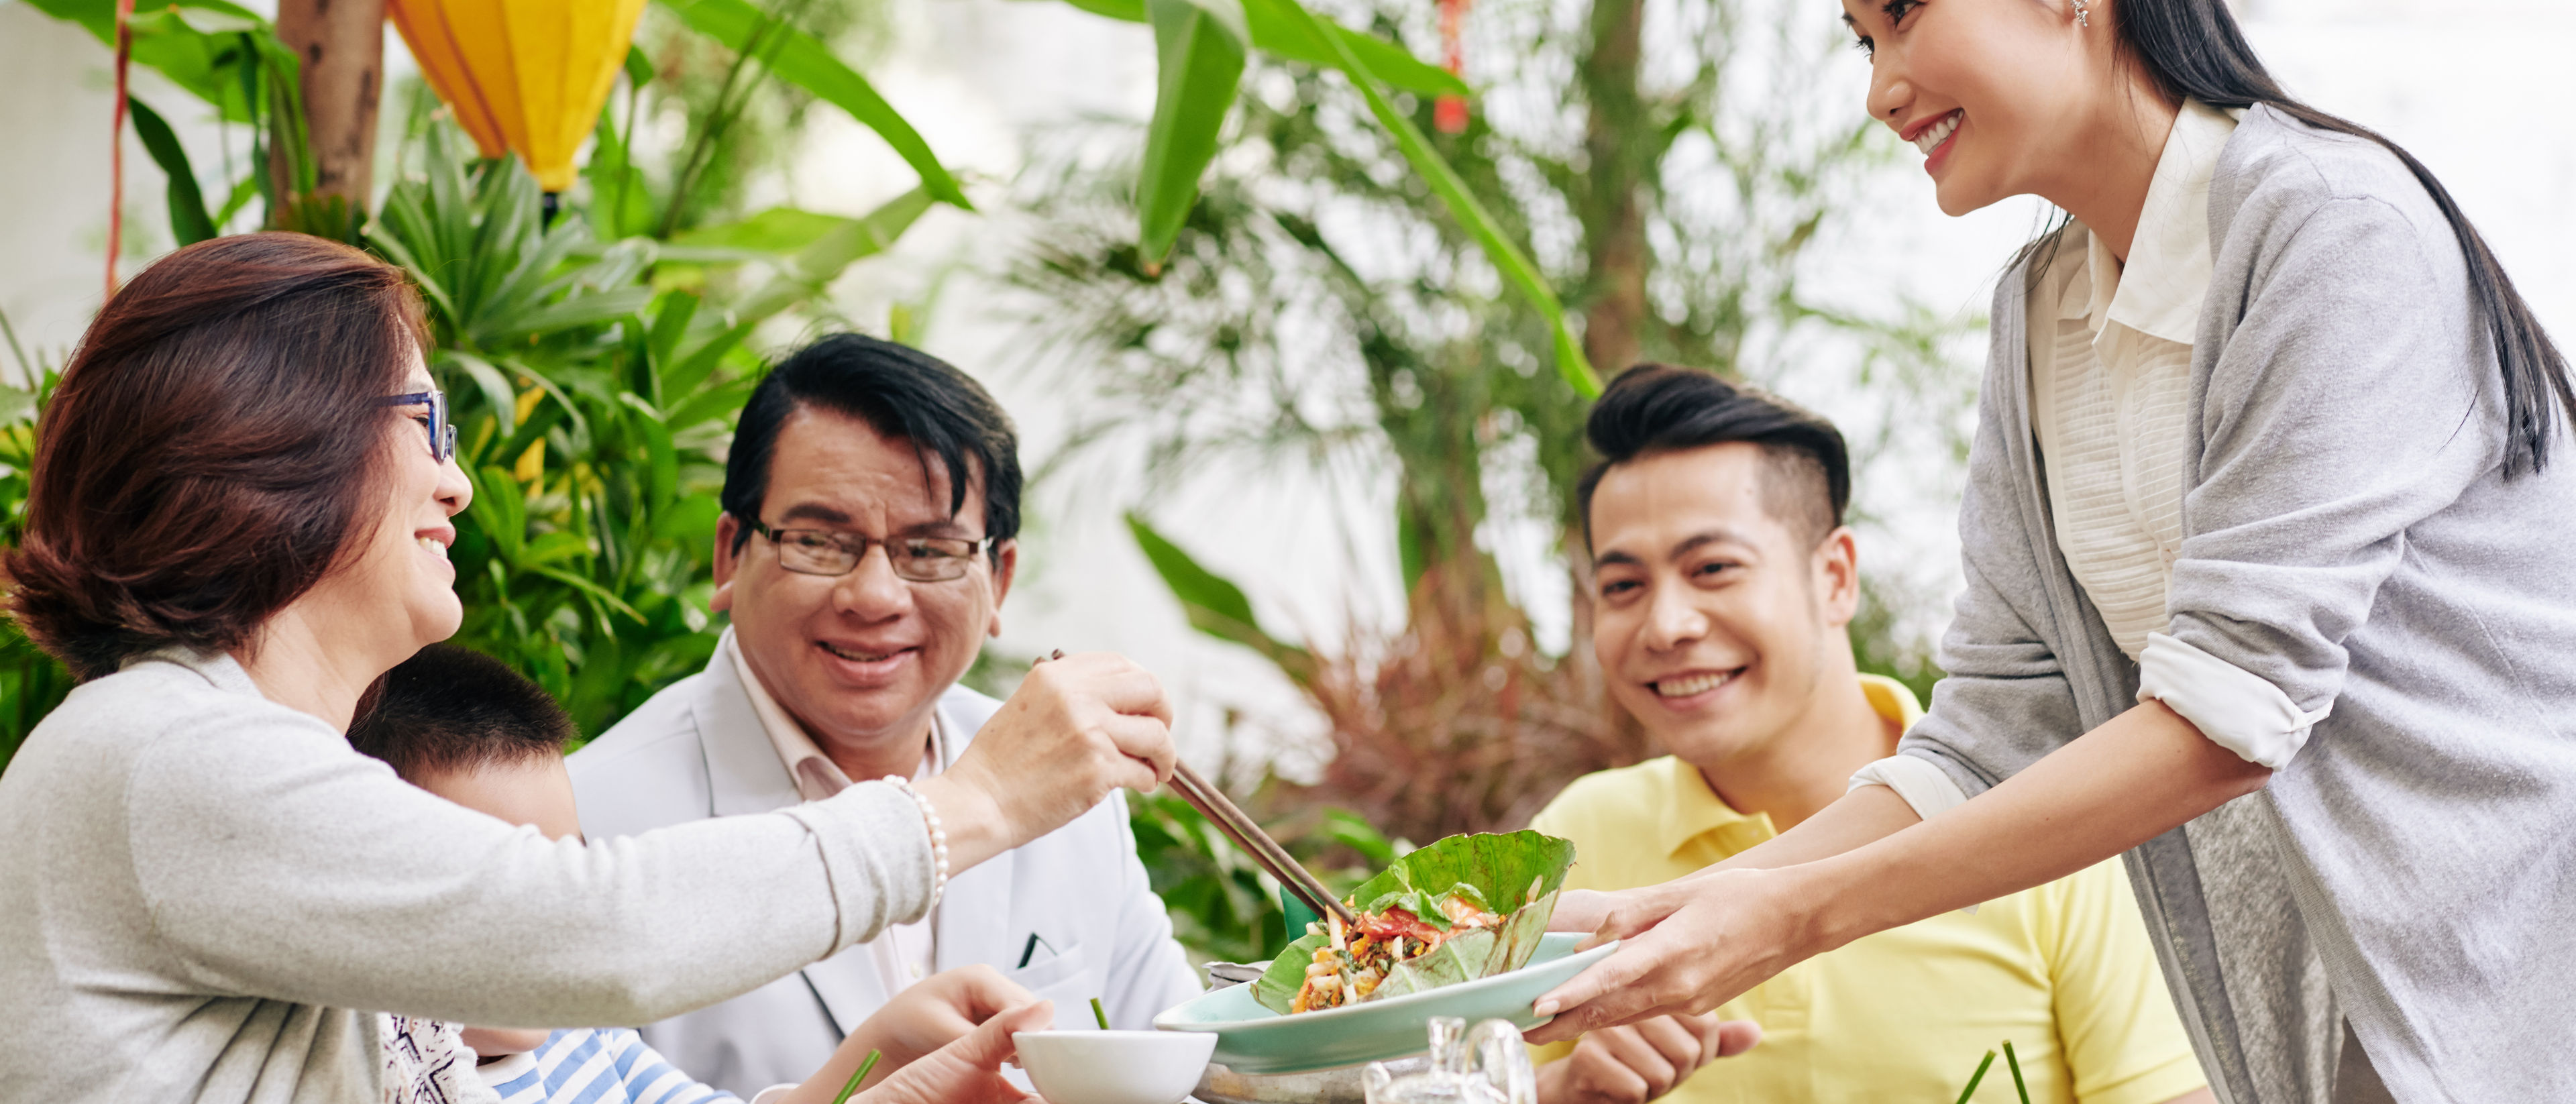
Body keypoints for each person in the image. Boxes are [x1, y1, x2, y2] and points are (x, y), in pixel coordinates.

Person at [1525, 2, 2576, 1102]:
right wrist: (1678, 914)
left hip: (2518, 1011)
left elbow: (2232, 712)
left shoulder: (2334, 230)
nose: (1881, 88)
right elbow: (1991, 734)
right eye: (1861, 42)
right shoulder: (2042, 311)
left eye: (1902, 16)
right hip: (2346, 1042)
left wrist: (1787, 919)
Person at [0, 233, 1178, 1104]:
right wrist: (976, 803)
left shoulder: (221, 759)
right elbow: (597, 931)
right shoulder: (165, 753)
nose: (456, 483)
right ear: (274, 435)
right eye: (426, 425)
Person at [1529, 365, 2210, 1104]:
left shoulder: (2045, 814)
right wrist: (1563, 1089)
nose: (1667, 625)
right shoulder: (1575, 837)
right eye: (1623, 585)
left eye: (1713, 567)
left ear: (1835, 576)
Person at [565, 333, 1199, 1095]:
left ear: (998, 579)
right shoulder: (586, 827)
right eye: (821, 541)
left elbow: (1190, 1066)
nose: (874, 596)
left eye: (929, 550)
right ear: (730, 554)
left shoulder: (1072, 795)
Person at [347, 643, 1050, 1104]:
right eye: (503, 891)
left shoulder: (591, 1037)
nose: (547, 921)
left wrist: (884, 1047)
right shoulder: (380, 1066)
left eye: (563, 873)